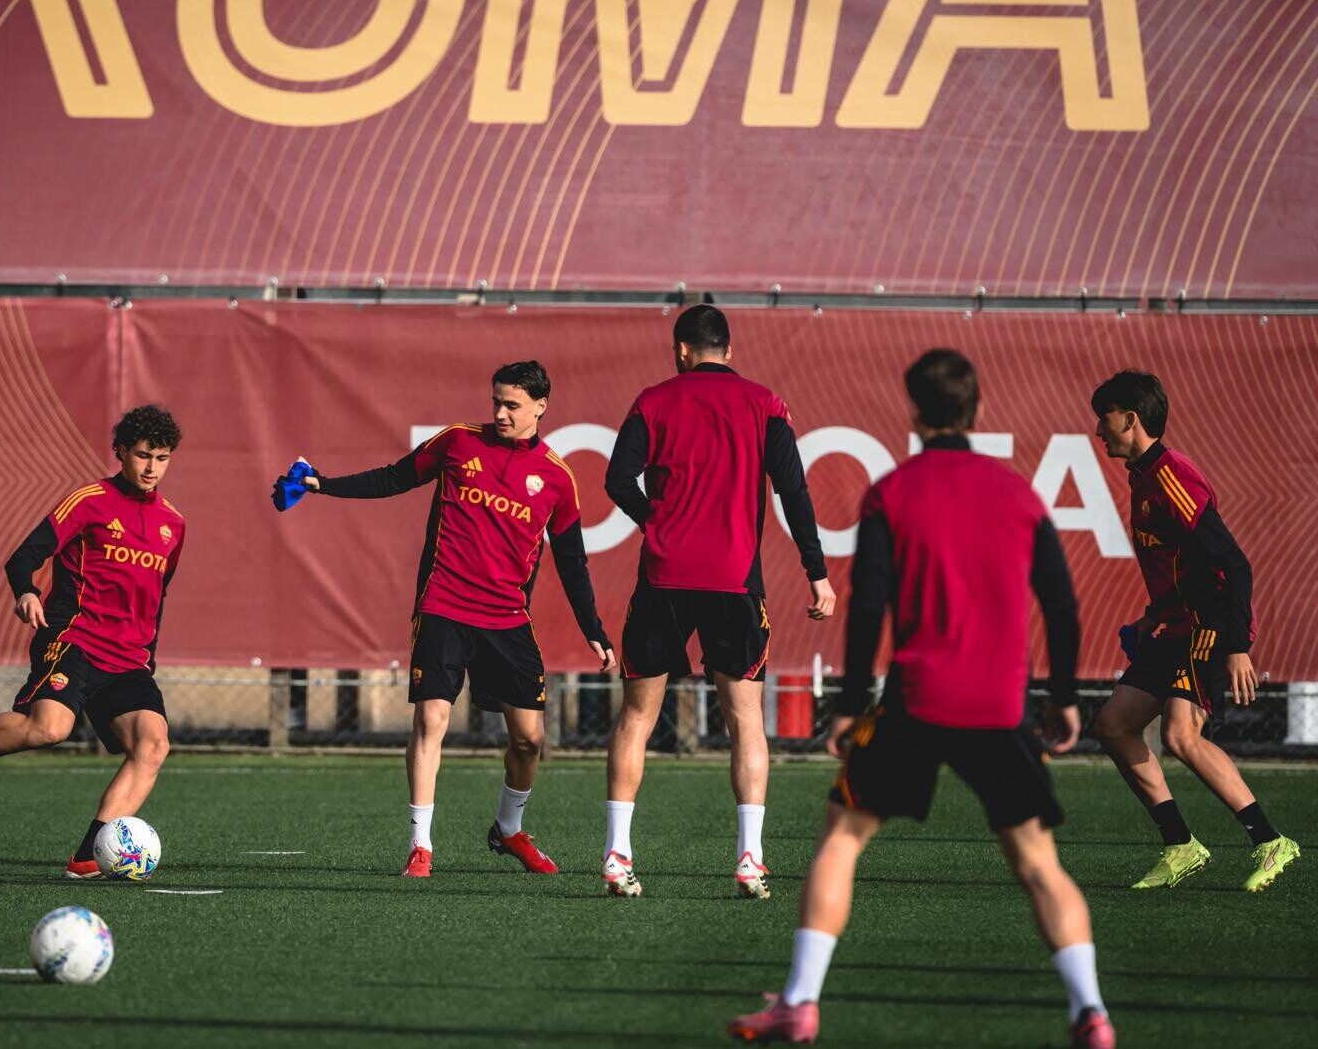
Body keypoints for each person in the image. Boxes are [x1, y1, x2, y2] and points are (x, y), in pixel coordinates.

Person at [728, 350, 1114, 1048]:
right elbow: (1061, 604)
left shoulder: (893, 492)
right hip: (1000, 707)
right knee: (1038, 862)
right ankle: (1092, 1013)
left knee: (842, 838)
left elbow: (868, 601)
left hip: (917, 699)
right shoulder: (1018, 494)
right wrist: (1063, 696)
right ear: (978, 410)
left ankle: (800, 1003)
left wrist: (850, 703)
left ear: (913, 411)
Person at [293, 361, 613, 878]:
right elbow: (393, 477)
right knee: (430, 720)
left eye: (512, 405)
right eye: (497, 402)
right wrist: (323, 484)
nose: (501, 413)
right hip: (443, 604)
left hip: (507, 618)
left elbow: (573, 563)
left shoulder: (557, 477)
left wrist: (593, 629)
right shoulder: (459, 442)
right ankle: (421, 845)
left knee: (530, 739)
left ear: (540, 406)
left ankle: (508, 829)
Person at [602, 304, 833, 899]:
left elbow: (617, 480)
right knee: (745, 720)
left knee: (636, 718)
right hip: (735, 581)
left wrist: (657, 523)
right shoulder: (765, 403)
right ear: (728, 350)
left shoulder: (653, 400)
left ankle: (617, 854)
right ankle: (750, 859)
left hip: (663, 576)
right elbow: (793, 491)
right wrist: (817, 572)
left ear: (682, 350)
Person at [0, 405, 185, 879]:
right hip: (74, 638)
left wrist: (147, 660)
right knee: (48, 729)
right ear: (121, 452)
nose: (151, 467)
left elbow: (155, 600)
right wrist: (26, 591)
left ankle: (88, 856)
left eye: (161, 458)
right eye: (142, 455)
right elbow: (23, 556)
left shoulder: (173, 524)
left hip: (128, 660)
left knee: (153, 744)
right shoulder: (89, 501)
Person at [1089, 370, 1299, 891]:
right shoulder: (1141, 477)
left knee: (1180, 735)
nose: (1097, 429)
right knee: (1114, 726)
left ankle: (1271, 841)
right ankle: (1181, 845)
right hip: (1176, 624)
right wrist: (1153, 614)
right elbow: (1180, 563)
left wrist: (1237, 646)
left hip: (1209, 625)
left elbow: (1233, 564)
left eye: (1104, 418)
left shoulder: (1170, 478)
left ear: (1130, 420)